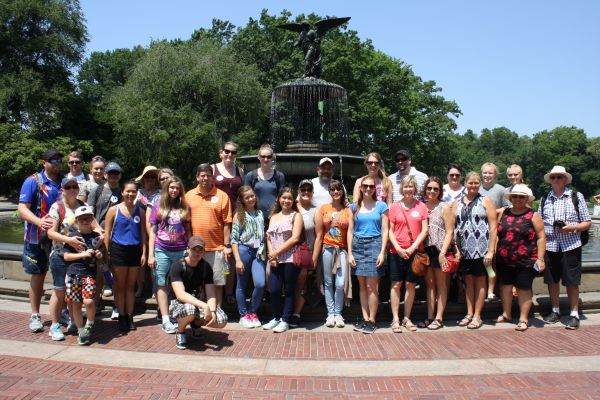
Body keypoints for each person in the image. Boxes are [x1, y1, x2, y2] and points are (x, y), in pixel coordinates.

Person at [539, 166, 591, 330]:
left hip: (571, 245)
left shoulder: (576, 196)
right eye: (553, 177)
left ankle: (574, 314)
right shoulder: (545, 198)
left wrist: (572, 228)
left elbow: (587, 222)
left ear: (565, 179)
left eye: (559, 177)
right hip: (550, 245)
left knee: (572, 281)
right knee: (552, 281)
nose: (556, 180)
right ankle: (555, 310)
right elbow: (539, 223)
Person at [17, 149, 64, 333]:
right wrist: (39, 221)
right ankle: (35, 315)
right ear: (44, 162)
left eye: (59, 160)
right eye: (53, 160)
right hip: (36, 239)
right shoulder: (33, 181)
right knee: (38, 275)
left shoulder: (64, 181)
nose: (57, 163)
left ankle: (62, 311)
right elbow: (22, 209)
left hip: (58, 238)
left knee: (62, 276)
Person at [496, 184, 546, 331]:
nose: (517, 199)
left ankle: (523, 318)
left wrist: (540, 258)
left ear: (526, 199)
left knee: (524, 289)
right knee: (505, 287)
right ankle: (507, 314)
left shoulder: (533, 215)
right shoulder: (504, 212)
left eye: (521, 197)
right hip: (504, 259)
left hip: (526, 260)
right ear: (510, 198)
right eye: (515, 196)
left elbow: (541, 237)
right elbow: (497, 232)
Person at [46, 177, 89, 340]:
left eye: (74, 187)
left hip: (77, 256)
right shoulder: (57, 207)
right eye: (68, 187)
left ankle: (73, 320)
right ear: (62, 190)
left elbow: (92, 224)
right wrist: (69, 240)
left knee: (74, 291)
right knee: (59, 290)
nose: (72, 189)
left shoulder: (83, 206)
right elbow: (50, 232)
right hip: (59, 255)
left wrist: (100, 233)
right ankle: (55, 325)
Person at [147, 176, 191, 334]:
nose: (174, 190)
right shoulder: (158, 205)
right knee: (161, 284)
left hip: (180, 250)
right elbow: (152, 232)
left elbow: (188, 230)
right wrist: (151, 255)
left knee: (179, 284)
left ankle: (178, 314)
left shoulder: (185, 206)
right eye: (171, 187)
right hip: (162, 250)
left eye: (177, 188)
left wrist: (189, 248)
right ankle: (165, 318)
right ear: (167, 189)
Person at [454, 172, 497, 330]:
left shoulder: (485, 201)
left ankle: (477, 315)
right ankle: (469, 313)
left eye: (476, 183)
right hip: (465, 250)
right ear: (465, 183)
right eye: (470, 183)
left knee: (480, 281)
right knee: (468, 281)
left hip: (482, 249)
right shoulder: (458, 202)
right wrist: (456, 248)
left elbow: (493, 226)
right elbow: (454, 228)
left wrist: (491, 250)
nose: (473, 185)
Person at [185, 163, 232, 308]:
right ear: (197, 177)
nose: (205, 178)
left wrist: (227, 245)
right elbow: (186, 223)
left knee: (217, 282)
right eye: (202, 175)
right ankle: (199, 312)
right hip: (196, 248)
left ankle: (216, 311)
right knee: (195, 282)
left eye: (208, 175)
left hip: (216, 247)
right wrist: (189, 243)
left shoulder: (222, 196)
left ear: (212, 178)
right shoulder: (189, 195)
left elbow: (227, 223)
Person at [168, 236, 227, 350]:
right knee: (190, 308)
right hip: (178, 304)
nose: (197, 252)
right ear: (188, 249)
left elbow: (210, 294)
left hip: (198, 303)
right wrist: (204, 306)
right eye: (194, 249)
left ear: (204, 251)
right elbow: (180, 294)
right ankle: (180, 332)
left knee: (221, 320)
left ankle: (196, 325)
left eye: (200, 250)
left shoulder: (206, 267)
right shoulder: (178, 266)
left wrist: (213, 311)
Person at [104, 180, 147, 332]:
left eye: (133, 191)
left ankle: (129, 316)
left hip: (134, 251)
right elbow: (107, 233)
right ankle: (121, 315)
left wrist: (144, 252)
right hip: (118, 251)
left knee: (131, 286)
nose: (130, 194)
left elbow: (143, 234)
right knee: (119, 286)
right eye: (127, 191)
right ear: (122, 192)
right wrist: (107, 253)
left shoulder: (140, 211)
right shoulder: (114, 210)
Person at [388, 176, 429, 333]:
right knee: (396, 284)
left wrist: (413, 247)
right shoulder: (394, 207)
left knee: (410, 285)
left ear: (415, 189)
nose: (408, 189)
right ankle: (395, 319)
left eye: (411, 186)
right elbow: (390, 230)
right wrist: (398, 247)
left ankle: (406, 318)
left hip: (414, 252)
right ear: (402, 189)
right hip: (396, 251)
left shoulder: (421, 207)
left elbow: (424, 230)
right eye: (406, 187)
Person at [349, 175, 389, 334]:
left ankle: (372, 320)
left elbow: (385, 230)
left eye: (371, 186)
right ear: (360, 187)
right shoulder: (353, 207)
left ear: (375, 189)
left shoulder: (382, 206)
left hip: (374, 244)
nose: (367, 189)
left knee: (372, 286)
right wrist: (350, 252)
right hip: (358, 245)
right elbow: (350, 231)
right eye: (365, 186)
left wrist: (382, 252)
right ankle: (365, 318)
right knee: (362, 285)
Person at [264, 187, 304, 333]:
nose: (286, 200)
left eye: (289, 198)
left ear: (293, 201)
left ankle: (285, 319)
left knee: (289, 289)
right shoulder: (273, 216)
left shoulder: (296, 216)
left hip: (290, 258)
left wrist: (276, 253)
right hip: (275, 258)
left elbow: (295, 238)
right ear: (279, 199)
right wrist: (272, 254)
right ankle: (275, 317)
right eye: (284, 197)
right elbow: (268, 237)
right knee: (273, 289)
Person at [315, 179, 353, 328]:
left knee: (340, 283)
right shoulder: (324, 208)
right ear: (329, 192)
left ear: (342, 191)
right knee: (328, 282)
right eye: (332, 190)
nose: (335, 192)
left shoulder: (348, 209)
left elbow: (351, 231)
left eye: (338, 189)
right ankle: (330, 314)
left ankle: (339, 312)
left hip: (342, 249)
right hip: (327, 248)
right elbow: (319, 232)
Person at [63, 206, 103, 345]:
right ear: (77, 220)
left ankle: (90, 323)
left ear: (92, 219)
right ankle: (81, 331)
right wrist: (83, 254)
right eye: (82, 218)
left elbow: (100, 254)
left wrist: (99, 255)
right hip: (73, 273)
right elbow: (66, 256)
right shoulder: (72, 236)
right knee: (76, 303)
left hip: (88, 275)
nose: (85, 220)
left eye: (88, 218)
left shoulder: (96, 237)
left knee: (89, 301)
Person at [87, 161, 122, 318]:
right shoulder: (97, 190)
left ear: (119, 175)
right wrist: (96, 230)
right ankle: (97, 302)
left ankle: (116, 304)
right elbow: (89, 212)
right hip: (99, 236)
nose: (113, 176)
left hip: (116, 236)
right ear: (105, 175)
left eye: (116, 173)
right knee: (99, 271)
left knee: (114, 271)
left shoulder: (122, 192)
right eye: (110, 173)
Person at [211, 141, 244, 306]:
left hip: (233, 219)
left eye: (233, 152)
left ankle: (229, 291)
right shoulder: (212, 169)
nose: (230, 154)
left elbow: (241, 195)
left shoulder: (240, 171)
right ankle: (209, 290)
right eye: (227, 151)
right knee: (213, 254)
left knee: (229, 256)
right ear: (220, 152)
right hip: (214, 218)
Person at [422, 176, 456, 330]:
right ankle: (429, 316)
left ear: (440, 191)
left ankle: (439, 317)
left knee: (441, 284)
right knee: (429, 284)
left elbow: (450, 232)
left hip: (440, 249)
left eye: (435, 189)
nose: (432, 191)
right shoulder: (421, 206)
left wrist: (443, 252)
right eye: (429, 188)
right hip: (426, 250)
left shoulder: (444, 207)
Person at [231, 186, 266, 329]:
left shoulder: (260, 213)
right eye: (247, 197)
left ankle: (253, 311)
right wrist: (238, 259)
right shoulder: (239, 215)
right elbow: (234, 240)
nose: (251, 199)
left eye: (252, 196)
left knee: (260, 283)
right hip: (244, 250)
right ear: (242, 200)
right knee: (241, 284)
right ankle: (243, 314)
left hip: (259, 252)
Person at [479, 162, 510, 302]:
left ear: (495, 174)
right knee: (479, 262)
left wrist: (492, 211)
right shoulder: (476, 188)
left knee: (491, 262)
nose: (487, 175)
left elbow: (507, 208)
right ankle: (481, 290)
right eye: (485, 172)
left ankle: (491, 291)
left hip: (494, 230)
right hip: (477, 231)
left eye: (490, 173)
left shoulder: (501, 190)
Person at [290, 179, 319, 327]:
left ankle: (296, 313)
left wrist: (314, 258)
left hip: (306, 253)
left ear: (313, 192)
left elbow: (319, 235)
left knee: (301, 284)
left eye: (309, 189)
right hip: (289, 253)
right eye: (303, 189)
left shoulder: (316, 210)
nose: (306, 192)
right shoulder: (291, 206)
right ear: (299, 192)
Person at [134, 165, 161, 298]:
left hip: (153, 229)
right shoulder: (137, 192)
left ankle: (154, 289)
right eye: (147, 177)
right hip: (137, 229)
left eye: (153, 177)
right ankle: (140, 287)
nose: (150, 179)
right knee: (140, 260)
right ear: (143, 179)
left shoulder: (160, 193)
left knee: (153, 259)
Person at [244, 144, 285, 221]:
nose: (266, 159)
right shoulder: (251, 175)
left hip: (274, 217)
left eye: (269, 157)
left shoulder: (279, 176)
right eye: (263, 156)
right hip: (255, 217)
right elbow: (245, 197)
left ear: (273, 157)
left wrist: (275, 211)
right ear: (258, 157)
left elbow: (281, 196)